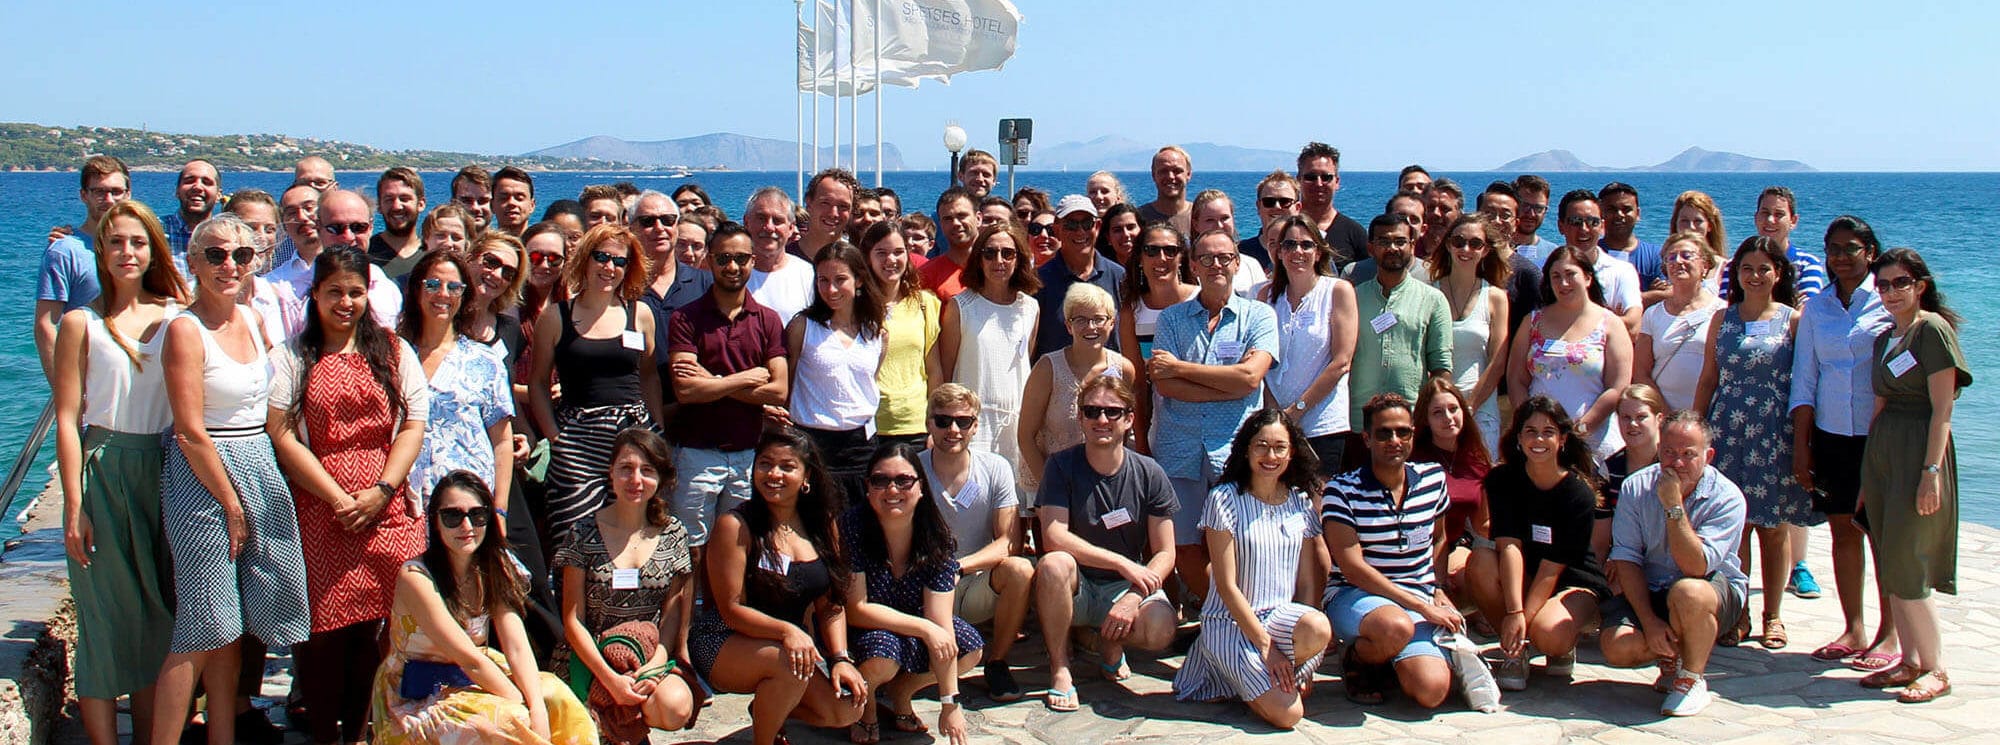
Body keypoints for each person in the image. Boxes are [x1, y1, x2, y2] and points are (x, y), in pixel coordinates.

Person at [152, 215, 313, 745]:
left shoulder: (251, 317)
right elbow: (190, 431)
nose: (230, 265)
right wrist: (231, 503)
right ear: (193, 262)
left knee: (233, 627)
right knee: (203, 623)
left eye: (242, 255)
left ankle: (223, 735)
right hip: (205, 478)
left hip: (257, 463)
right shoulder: (184, 329)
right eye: (216, 254)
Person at [268, 246, 431, 745]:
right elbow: (282, 433)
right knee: (322, 631)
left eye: (355, 292)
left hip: (386, 504)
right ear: (314, 294)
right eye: (334, 291)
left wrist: (382, 490)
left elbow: (413, 425)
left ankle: (363, 731)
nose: (345, 302)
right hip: (320, 506)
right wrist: (338, 498)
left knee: (376, 631)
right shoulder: (293, 355)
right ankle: (323, 733)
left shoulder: (394, 350)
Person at [51, 199, 186, 745]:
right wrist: (74, 504)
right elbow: (66, 417)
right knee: (104, 621)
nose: (127, 252)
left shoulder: (179, 317)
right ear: (100, 254)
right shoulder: (81, 323)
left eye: (137, 241)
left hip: (162, 472)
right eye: (115, 243)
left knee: (158, 619)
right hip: (102, 472)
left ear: (153, 247)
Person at [371, 471, 598, 745]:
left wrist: (536, 704)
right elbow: (469, 659)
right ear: (436, 523)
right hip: (419, 693)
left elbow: (515, 644)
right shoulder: (416, 577)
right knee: (510, 720)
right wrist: (524, 706)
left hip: (476, 677)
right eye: (453, 516)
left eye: (477, 515)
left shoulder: (494, 565)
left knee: (558, 699)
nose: (466, 526)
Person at [691, 428, 867, 745]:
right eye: (766, 463)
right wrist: (788, 631)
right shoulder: (735, 525)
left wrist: (841, 658)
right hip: (724, 639)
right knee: (789, 665)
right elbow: (731, 610)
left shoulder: (824, 525)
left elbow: (831, 605)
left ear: (806, 476)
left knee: (847, 708)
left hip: (789, 648)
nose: (774, 474)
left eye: (787, 466)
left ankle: (769, 707)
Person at [1854, 248, 1968, 703]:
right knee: (1889, 560)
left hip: (1920, 450)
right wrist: (1867, 474)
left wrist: (1931, 471)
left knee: (1909, 564)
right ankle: (1910, 661)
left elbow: (1943, 409)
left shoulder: (1932, 331)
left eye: (1899, 283)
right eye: (1882, 285)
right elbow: (1878, 405)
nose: (1890, 293)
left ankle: (1936, 668)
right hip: (1883, 455)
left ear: (1919, 285)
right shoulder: (1885, 338)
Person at [1172, 410, 1332, 729]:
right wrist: (1268, 649)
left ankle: (1248, 679)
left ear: (1292, 452)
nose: (1270, 456)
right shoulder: (1223, 500)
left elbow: (1307, 585)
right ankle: (1226, 668)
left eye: (1279, 447)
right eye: (1261, 445)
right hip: (1230, 623)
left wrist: (1309, 663)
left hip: (1281, 618)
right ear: (1246, 449)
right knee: (1289, 714)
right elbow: (1227, 586)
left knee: (1318, 626)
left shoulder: (1300, 502)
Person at [1790, 215, 1900, 671]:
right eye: (1833, 248)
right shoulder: (1818, 308)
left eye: (1850, 248)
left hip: (1881, 437)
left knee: (1882, 535)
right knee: (1842, 531)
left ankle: (1890, 633)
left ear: (1870, 252)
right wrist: (1802, 444)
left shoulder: (1889, 301)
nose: (1840, 256)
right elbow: (1805, 378)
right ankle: (1853, 627)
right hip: (1832, 434)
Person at [1689, 237, 1809, 650]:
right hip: (1728, 429)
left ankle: (1772, 615)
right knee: (1734, 527)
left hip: (1774, 432)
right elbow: (1708, 377)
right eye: (1747, 269)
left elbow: (1804, 384)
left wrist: (1802, 440)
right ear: (1735, 275)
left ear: (1778, 272)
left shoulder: (1793, 320)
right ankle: (1736, 612)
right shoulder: (1723, 319)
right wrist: (1697, 428)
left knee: (1773, 529)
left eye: (1764, 268)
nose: (1755, 276)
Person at [1034, 376, 1180, 712]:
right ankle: (1060, 667)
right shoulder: (1061, 465)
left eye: (1112, 412)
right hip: (1077, 585)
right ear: (1080, 418)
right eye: (1092, 411)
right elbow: (1053, 535)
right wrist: (1121, 563)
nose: (1102, 420)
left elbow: (1165, 552)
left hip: (1123, 587)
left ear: (1129, 419)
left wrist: (1133, 595)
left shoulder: (1149, 472)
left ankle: (1110, 646)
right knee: (1054, 563)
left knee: (1161, 628)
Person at [1151, 230, 1280, 603]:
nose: (1216, 265)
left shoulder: (1259, 315)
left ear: (1237, 263)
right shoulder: (1172, 319)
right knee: (1185, 543)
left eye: (1224, 257)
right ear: (1193, 265)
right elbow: (1166, 386)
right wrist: (1229, 384)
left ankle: (1240, 616)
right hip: (1180, 449)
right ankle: (1227, 615)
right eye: (1206, 258)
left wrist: (1182, 368)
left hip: (1237, 450)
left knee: (1244, 543)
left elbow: (1250, 377)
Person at [1599, 411, 1748, 717]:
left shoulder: (1728, 497)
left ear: (1708, 456)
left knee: (1688, 593)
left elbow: (1697, 567)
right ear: (1659, 450)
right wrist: (1650, 622)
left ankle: (1691, 678)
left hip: (1708, 590)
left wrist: (1673, 506)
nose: (1676, 463)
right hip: (1653, 587)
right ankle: (1672, 655)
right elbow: (1626, 558)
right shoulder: (1635, 487)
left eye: (1688, 454)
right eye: (1668, 452)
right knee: (1617, 647)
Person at [554, 430, 700, 740]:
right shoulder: (582, 533)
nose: (636, 479)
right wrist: (609, 679)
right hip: (589, 658)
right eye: (626, 468)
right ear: (611, 473)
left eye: (647, 470)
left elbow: (672, 613)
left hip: (645, 656)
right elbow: (572, 620)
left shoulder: (673, 533)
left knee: (676, 706)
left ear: (660, 476)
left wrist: (656, 663)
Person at [529, 225, 666, 546]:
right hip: (576, 441)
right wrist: (555, 438)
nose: (609, 267)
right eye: (601, 257)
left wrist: (657, 431)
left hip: (633, 436)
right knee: (574, 540)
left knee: (633, 536)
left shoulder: (641, 313)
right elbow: (537, 384)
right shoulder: (555, 316)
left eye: (619, 261)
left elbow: (648, 377)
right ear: (585, 260)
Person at [1321, 393, 1459, 708]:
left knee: (1431, 691)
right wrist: (1423, 608)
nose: (1394, 440)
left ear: (1413, 433)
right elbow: (1353, 568)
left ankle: (1390, 658)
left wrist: (1437, 588)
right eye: (1384, 433)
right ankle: (1358, 661)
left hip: (1416, 597)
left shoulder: (1433, 479)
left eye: (1403, 432)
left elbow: (1438, 539)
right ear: (1367, 439)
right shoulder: (1341, 491)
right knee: (1395, 627)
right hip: (1355, 595)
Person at [839, 443, 984, 744]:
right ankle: (866, 709)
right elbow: (858, 609)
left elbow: (940, 622)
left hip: (915, 625)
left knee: (969, 647)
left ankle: (901, 694)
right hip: (861, 630)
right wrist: (924, 629)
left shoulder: (936, 537)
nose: (892, 490)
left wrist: (949, 703)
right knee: (883, 653)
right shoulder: (851, 527)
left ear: (920, 488)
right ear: (868, 488)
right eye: (880, 481)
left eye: (904, 481)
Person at [667, 222, 790, 575]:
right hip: (694, 453)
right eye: (723, 258)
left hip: (748, 455)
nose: (732, 267)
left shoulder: (767, 320)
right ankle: (687, 628)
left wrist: (714, 382)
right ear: (709, 260)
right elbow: (686, 391)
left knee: (739, 551)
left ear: (753, 261)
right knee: (688, 554)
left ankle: (727, 623)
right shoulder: (686, 318)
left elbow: (779, 391)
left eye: (740, 258)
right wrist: (747, 379)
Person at [1483, 396, 1608, 691]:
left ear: (1562, 439)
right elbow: (1509, 545)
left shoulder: (1578, 493)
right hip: (1525, 569)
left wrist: (1523, 621)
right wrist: (1514, 613)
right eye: (1530, 431)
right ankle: (1517, 651)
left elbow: (1553, 567)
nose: (1538, 439)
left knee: (1549, 634)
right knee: (1481, 563)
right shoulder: (1502, 479)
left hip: (1571, 578)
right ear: (1518, 438)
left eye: (1548, 432)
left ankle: (1552, 642)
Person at [920, 385, 1034, 702]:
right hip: (924, 585)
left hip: (974, 581)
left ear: (975, 425)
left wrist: (959, 567)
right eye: (942, 421)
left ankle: (996, 662)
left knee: (1020, 569)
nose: (953, 429)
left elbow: (1007, 542)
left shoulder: (996, 468)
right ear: (928, 423)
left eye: (963, 421)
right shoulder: (912, 469)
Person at [398, 251, 516, 507]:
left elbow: (503, 441)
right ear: (416, 289)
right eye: (432, 284)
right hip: (410, 504)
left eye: (454, 287)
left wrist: (500, 508)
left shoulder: (484, 360)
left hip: (470, 506)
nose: (442, 294)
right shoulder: (395, 356)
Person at [1508, 245, 1634, 464]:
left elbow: (1618, 386)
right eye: (1555, 276)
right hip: (1539, 443)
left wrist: (1580, 430)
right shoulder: (1533, 322)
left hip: (1593, 443)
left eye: (1570, 274)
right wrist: (1529, 424)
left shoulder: (1610, 323)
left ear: (1587, 277)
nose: (1563, 283)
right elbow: (1516, 378)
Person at [938, 223, 1042, 474]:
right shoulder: (960, 306)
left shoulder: (1030, 308)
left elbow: (1024, 361)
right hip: (972, 424)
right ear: (979, 258)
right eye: (990, 253)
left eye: (1007, 253)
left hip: (1016, 424)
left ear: (1018, 258)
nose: (999, 260)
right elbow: (946, 371)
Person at [785, 241, 886, 497]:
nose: (830, 289)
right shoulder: (803, 327)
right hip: (813, 444)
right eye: (823, 280)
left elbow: (867, 382)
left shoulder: (876, 333)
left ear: (859, 280)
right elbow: (789, 380)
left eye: (840, 279)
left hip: (861, 447)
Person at [1259, 216, 1356, 475]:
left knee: (1318, 504)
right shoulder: (1265, 297)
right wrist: (1276, 413)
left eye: (1306, 244)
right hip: (1275, 422)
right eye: (1289, 245)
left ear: (1318, 251)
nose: (1297, 251)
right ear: (1278, 252)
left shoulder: (1338, 291)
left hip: (1323, 424)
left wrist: (1297, 410)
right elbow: (1259, 361)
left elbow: (1341, 362)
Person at [1020, 284, 1136, 493]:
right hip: (1052, 485)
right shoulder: (1047, 369)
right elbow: (1025, 436)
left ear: (1112, 323)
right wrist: (1052, 490)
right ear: (1068, 325)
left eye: (1098, 319)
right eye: (1080, 319)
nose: (1090, 327)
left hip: (1105, 487)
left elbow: (1123, 435)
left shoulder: (1124, 369)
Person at [1349, 214, 1453, 428]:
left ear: (1412, 246)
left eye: (1400, 241)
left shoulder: (1432, 299)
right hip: (1358, 420)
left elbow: (1441, 365)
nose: (1393, 248)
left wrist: (1436, 415)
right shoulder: (1352, 297)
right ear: (1370, 248)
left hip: (1412, 419)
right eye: (1384, 242)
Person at [1412, 378, 1496, 630]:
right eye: (1437, 412)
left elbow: (1484, 525)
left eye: (1453, 409)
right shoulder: (1413, 459)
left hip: (1455, 545)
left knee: (1474, 574)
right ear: (1425, 419)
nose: (1448, 417)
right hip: (1417, 548)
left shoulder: (1477, 459)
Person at [38, 155, 127, 380]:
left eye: (116, 191)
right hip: (91, 376)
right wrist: (65, 390)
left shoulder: (142, 248)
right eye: (99, 192)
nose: (109, 199)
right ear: (84, 195)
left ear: (128, 195)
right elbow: (46, 326)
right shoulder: (64, 250)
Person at [1430, 214, 1511, 456]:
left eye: (1475, 243)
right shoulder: (1429, 293)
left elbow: (1497, 362)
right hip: (1436, 409)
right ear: (1447, 245)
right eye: (1458, 241)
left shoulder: (1495, 297)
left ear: (1486, 250)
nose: (1466, 249)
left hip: (1481, 409)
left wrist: (1469, 406)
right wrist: (1443, 405)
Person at [860, 222, 942, 451]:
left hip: (915, 425)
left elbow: (934, 369)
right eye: (881, 253)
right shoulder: (856, 306)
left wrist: (935, 422)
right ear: (868, 257)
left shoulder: (925, 303)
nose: (891, 260)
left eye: (898, 252)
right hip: (869, 423)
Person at [632, 192, 712, 420]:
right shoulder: (619, 287)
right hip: (640, 418)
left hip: (700, 417)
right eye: (647, 221)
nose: (659, 228)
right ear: (631, 228)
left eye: (667, 220)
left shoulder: (707, 285)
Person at [1634, 232, 1725, 411]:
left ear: (1705, 265)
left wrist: (1699, 417)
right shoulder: (1652, 315)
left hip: (1713, 414)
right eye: (1671, 257)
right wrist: (1667, 416)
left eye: (1686, 255)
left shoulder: (1723, 312)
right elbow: (1641, 373)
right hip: (1664, 417)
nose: (1678, 261)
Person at [1033, 195, 1125, 356]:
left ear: (1097, 227)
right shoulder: (1038, 281)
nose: (1080, 231)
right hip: (1056, 379)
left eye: (1087, 223)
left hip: (1108, 379)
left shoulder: (1119, 276)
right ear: (1056, 230)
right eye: (1071, 225)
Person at [1597, 384, 1669, 572]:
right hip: (1626, 558)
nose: (1632, 424)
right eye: (1626, 418)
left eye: (1641, 417)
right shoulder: (1609, 469)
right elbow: (1602, 536)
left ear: (1659, 419)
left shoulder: (1674, 464)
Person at [1553, 190, 1642, 334]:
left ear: (1602, 226)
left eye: (1592, 222)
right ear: (1561, 226)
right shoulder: (1542, 269)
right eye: (1575, 222)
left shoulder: (1622, 271)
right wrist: (1611, 319)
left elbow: (1632, 326)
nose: (1584, 229)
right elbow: (1534, 323)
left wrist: (1565, 324)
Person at [1476, 182, 1545, 335]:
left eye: (1505, 215)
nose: (1496, 221)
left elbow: (1535, 329)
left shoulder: (1528, 274)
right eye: (1489, 214)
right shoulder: (1465, 265)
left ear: (1516, 223)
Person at [743, 187, 817, 323]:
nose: (769, 227)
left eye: (777, 220)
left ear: (790, 228)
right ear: (746, 222)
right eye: (761, 218)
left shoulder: (808, 274)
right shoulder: (732, 274)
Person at [1295, 142, 1369, 262]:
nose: (1318, 183)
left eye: (1326, 177)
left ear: (1337, 182)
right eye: (1311, 177)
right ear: (1298, 180)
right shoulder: (1285, 229)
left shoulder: (1355, 234)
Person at [1752, 187, 1828, 300]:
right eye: (1765, 213)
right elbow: (1727, 309)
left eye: (1779, 214)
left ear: (1793, 221)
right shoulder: (1735, 265)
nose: (1770, 220)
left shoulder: (1807, 264)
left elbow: (1806, 312)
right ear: (1756, 217)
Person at [1189, 190, 1267, 296]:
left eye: (1224, 218)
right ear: (1196, 224)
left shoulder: (1251, 265)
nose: (1219, 226)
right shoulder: (1184, 267)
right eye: (1210, 220)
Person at [1597, 182, 1664, 296]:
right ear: (1600, 213)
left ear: (1638, 213)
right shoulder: (1590, 255)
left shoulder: (1656, 255)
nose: (1619, 215)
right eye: (1612, 209)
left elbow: (1667, 294)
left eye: (1626, 209)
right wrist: (1650, 294)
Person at [916, 188, 981, 299]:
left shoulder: (997, 266)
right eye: (948, 219)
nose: (955, 223)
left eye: (962, 216)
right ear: (940, 224)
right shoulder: (926, 274)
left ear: (978, 219)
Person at [368, 168, 428, 279]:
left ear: (421, 204)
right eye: (389, 199)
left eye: (404, 199)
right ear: (379, 206)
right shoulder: (366, 253)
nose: (397, 206)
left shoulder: (431, 252)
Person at [1669, 191, 1729, 297]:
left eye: (1698, 221)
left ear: (1709, 226)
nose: (1691, 227)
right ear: (1676, 224)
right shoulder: (1667, 264)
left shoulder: (1725, 268)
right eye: (1684, 221)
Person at [162, 159, 221, 265]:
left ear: (218, 195)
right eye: (189, 181)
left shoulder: (228, 237)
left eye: (206, 182)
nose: (198, 187)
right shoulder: (155, 231)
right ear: (177, 191)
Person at [1240, 171, 1303, 270]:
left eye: (1285, 202)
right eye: (1269, 202)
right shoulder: (1241, 252)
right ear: (1258, 206)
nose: (1277, 207)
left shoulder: (1309, 253)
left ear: (1298, 208)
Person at [797, 168, 858, 261]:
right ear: (809, 203)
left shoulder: (857, 263)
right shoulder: (780, 261)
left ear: (852, 210)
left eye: (843, 206)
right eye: (825, 203)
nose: (833, 213)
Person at [1137, 146, 1194, 234]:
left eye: (1177, 171)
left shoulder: (1201, 216)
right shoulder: (1138, 218)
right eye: (1163, 171)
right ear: (1153, 175)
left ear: (1188, 174)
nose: (1170, 176)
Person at [1509, 175, 1560, 263]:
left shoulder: (1554, 255)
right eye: (1525, 206)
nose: (1531, 214)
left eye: (1538, 208)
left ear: (1545, 211)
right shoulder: (1490, 251)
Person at [492, 167, 538, 237]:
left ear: (532, 205)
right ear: (492, 205)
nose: (511, 203)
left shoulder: (541, 247)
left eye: (519, 198)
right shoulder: (482, 247)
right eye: (504, 198)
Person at [1095, 202, 1142, 267]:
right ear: (1108, 238)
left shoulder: (1154, 264)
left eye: (1130, 228)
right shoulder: (1102, 270)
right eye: (1117, 230)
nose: (1126, 234)